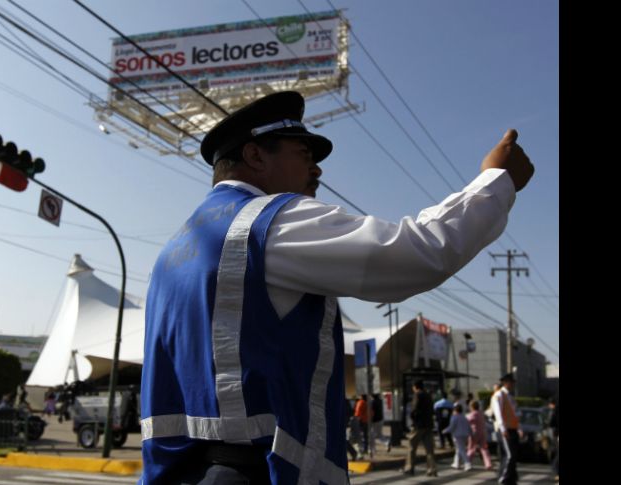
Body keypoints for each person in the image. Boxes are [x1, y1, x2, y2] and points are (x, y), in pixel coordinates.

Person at [139, 90, 534, 484]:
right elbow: (417, 254)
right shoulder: (268, 223)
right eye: (304, 155)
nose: (317, 171)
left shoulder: (177, 249)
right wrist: (496, 181)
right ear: (256, 155)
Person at [402, 380, 439, 477]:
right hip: (428, 425)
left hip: (419, 425)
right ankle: (432, 469)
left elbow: (414, 409)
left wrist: (413, 420)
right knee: (429, 449)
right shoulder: (428, 395)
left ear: (415, 387)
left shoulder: (417, 395)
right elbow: (431, 410)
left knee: (411, 447)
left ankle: (409, 468)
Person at [492, 373, 523, 485]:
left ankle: (511, 479)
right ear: (506, 383)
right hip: (505, 429)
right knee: (509, 455)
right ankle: (503, 479)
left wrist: (519, 428)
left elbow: (515, 414)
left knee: (512, 456)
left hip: (512, 429)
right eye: (512, 382)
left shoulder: (510, 397)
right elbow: (498, 412)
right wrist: (503, 428)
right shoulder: (499, 395)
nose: (513, 384)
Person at [443, 404, 472, 471]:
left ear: (455, 410)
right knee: (459, 449)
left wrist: (445, 431)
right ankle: (456, 463)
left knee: (461, 449)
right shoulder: (464, 417)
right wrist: (471, 433)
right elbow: (468, 426)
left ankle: (467, 463)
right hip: (465, 435)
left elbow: (452, 427)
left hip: (457, 435)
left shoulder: (454, 417)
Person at [466, 400, 493, 470]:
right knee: (484, 448)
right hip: (483, 432)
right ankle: (488, 464)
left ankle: (467, 461)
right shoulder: (481, 413)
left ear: (471, 407)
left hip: (474, 432)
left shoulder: (472, 414)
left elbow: (467, 420)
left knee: (471, 448)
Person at [547, 396, 559, 481]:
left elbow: (551, 423)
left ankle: (556, 471)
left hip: (556, 434)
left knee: (556, 453)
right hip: (556, 434)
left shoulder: (554, 411)